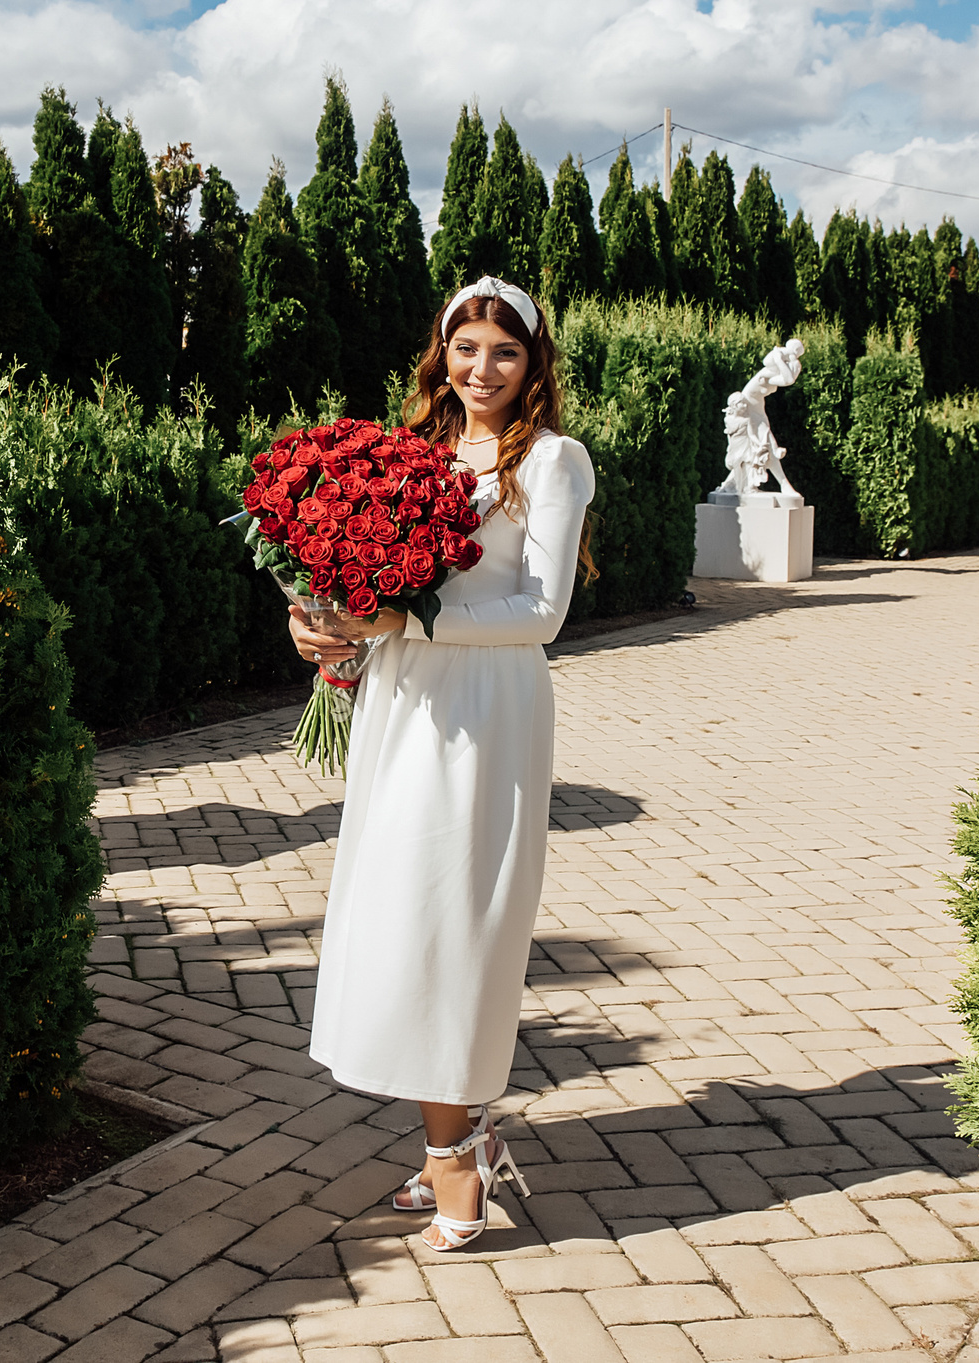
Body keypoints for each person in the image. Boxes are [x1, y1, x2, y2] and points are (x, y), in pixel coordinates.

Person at [290, 275, 597, 1252]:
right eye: (466, 347)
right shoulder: (410, 452)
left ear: (532, 361)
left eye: (504, 351)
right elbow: (368, 585)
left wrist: (409, 617)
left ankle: (457, 1159)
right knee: (398, 916)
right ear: (441, 351)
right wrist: (331, 630)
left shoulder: (553, 461)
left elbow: (542, 613)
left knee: (452, 922)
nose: (482, 368)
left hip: (485, 713)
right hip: (402, 701)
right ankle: (446, 1149)